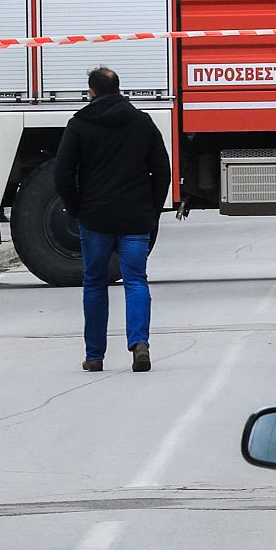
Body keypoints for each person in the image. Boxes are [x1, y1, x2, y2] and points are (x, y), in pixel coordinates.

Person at [54, 67, 171, 373]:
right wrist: (151, 210)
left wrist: (77, 208)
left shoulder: (79, 124)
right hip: (134, 217)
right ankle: (140, 344)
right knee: (135, 280)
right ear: (119, 90)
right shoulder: (142, 122)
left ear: (91, 91)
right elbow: (162, 171)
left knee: (94, 282)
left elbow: (62, 173)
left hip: (95, 219)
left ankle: (94, 356)